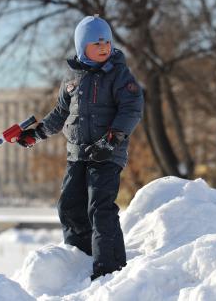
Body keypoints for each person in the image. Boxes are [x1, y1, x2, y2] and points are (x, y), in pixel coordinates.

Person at [17, 14, 144, 280]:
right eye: (96, 42)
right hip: (78, 154)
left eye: (106, 41)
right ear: (81, 46)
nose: (103, 47)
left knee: (100, 207)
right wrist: (37, 134)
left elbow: (132, 108)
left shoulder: (119, 74)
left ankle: (110, 269)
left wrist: (112, 139)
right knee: (70, 206)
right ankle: (80, 258)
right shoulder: (72, 78)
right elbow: (60, 112)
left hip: (107, 153)